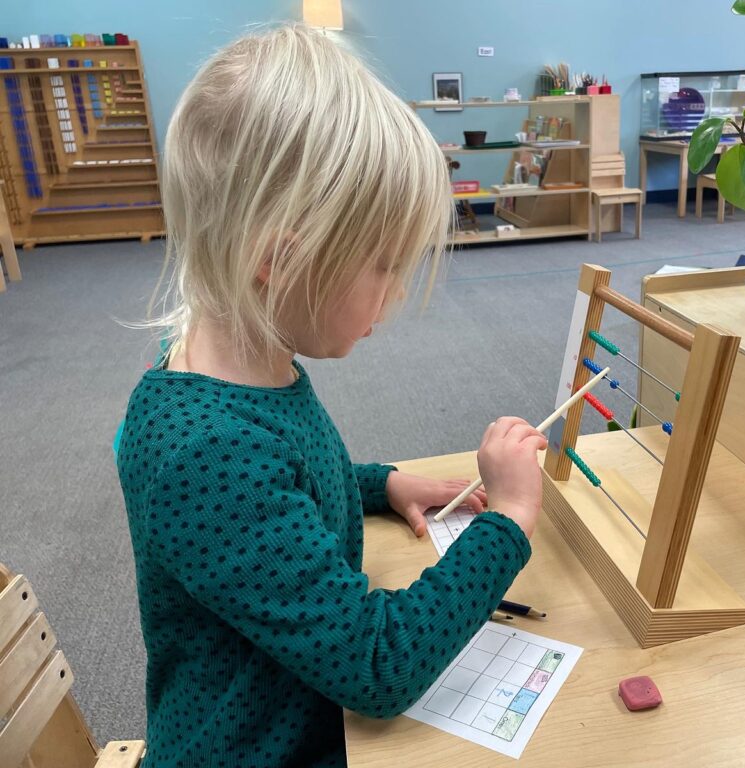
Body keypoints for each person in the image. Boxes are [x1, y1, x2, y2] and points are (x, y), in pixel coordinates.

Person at [116, 24, 546, 767]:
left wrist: (379, 484)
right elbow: (377, 667)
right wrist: (508, 520)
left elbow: (276, 490)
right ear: (280, 261)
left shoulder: (244, 373)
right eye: (382, 263)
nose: (400, 289)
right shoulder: (203, 447)